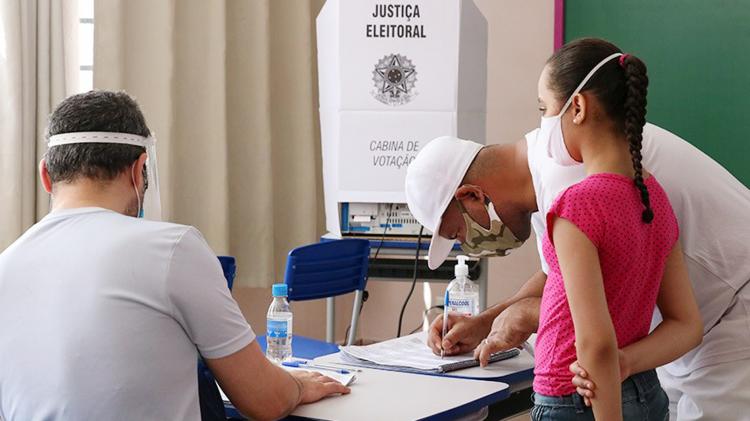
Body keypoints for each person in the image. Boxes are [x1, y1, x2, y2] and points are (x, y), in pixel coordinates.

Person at [406, 38, 750, 420]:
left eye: (458, 233)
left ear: (471, 196)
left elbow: (589, 319)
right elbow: (563, 274)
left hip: (733, 305)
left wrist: (527, 315)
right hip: (671, 341)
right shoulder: (559, 173)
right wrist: (486, 320)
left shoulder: (571, 177)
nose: (469, 245)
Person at [0, 90, 349, 421]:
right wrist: (299, 385)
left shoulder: (7, 265)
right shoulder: (172, 248)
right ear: (139, 169)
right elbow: (265, 401)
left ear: (46, 175)